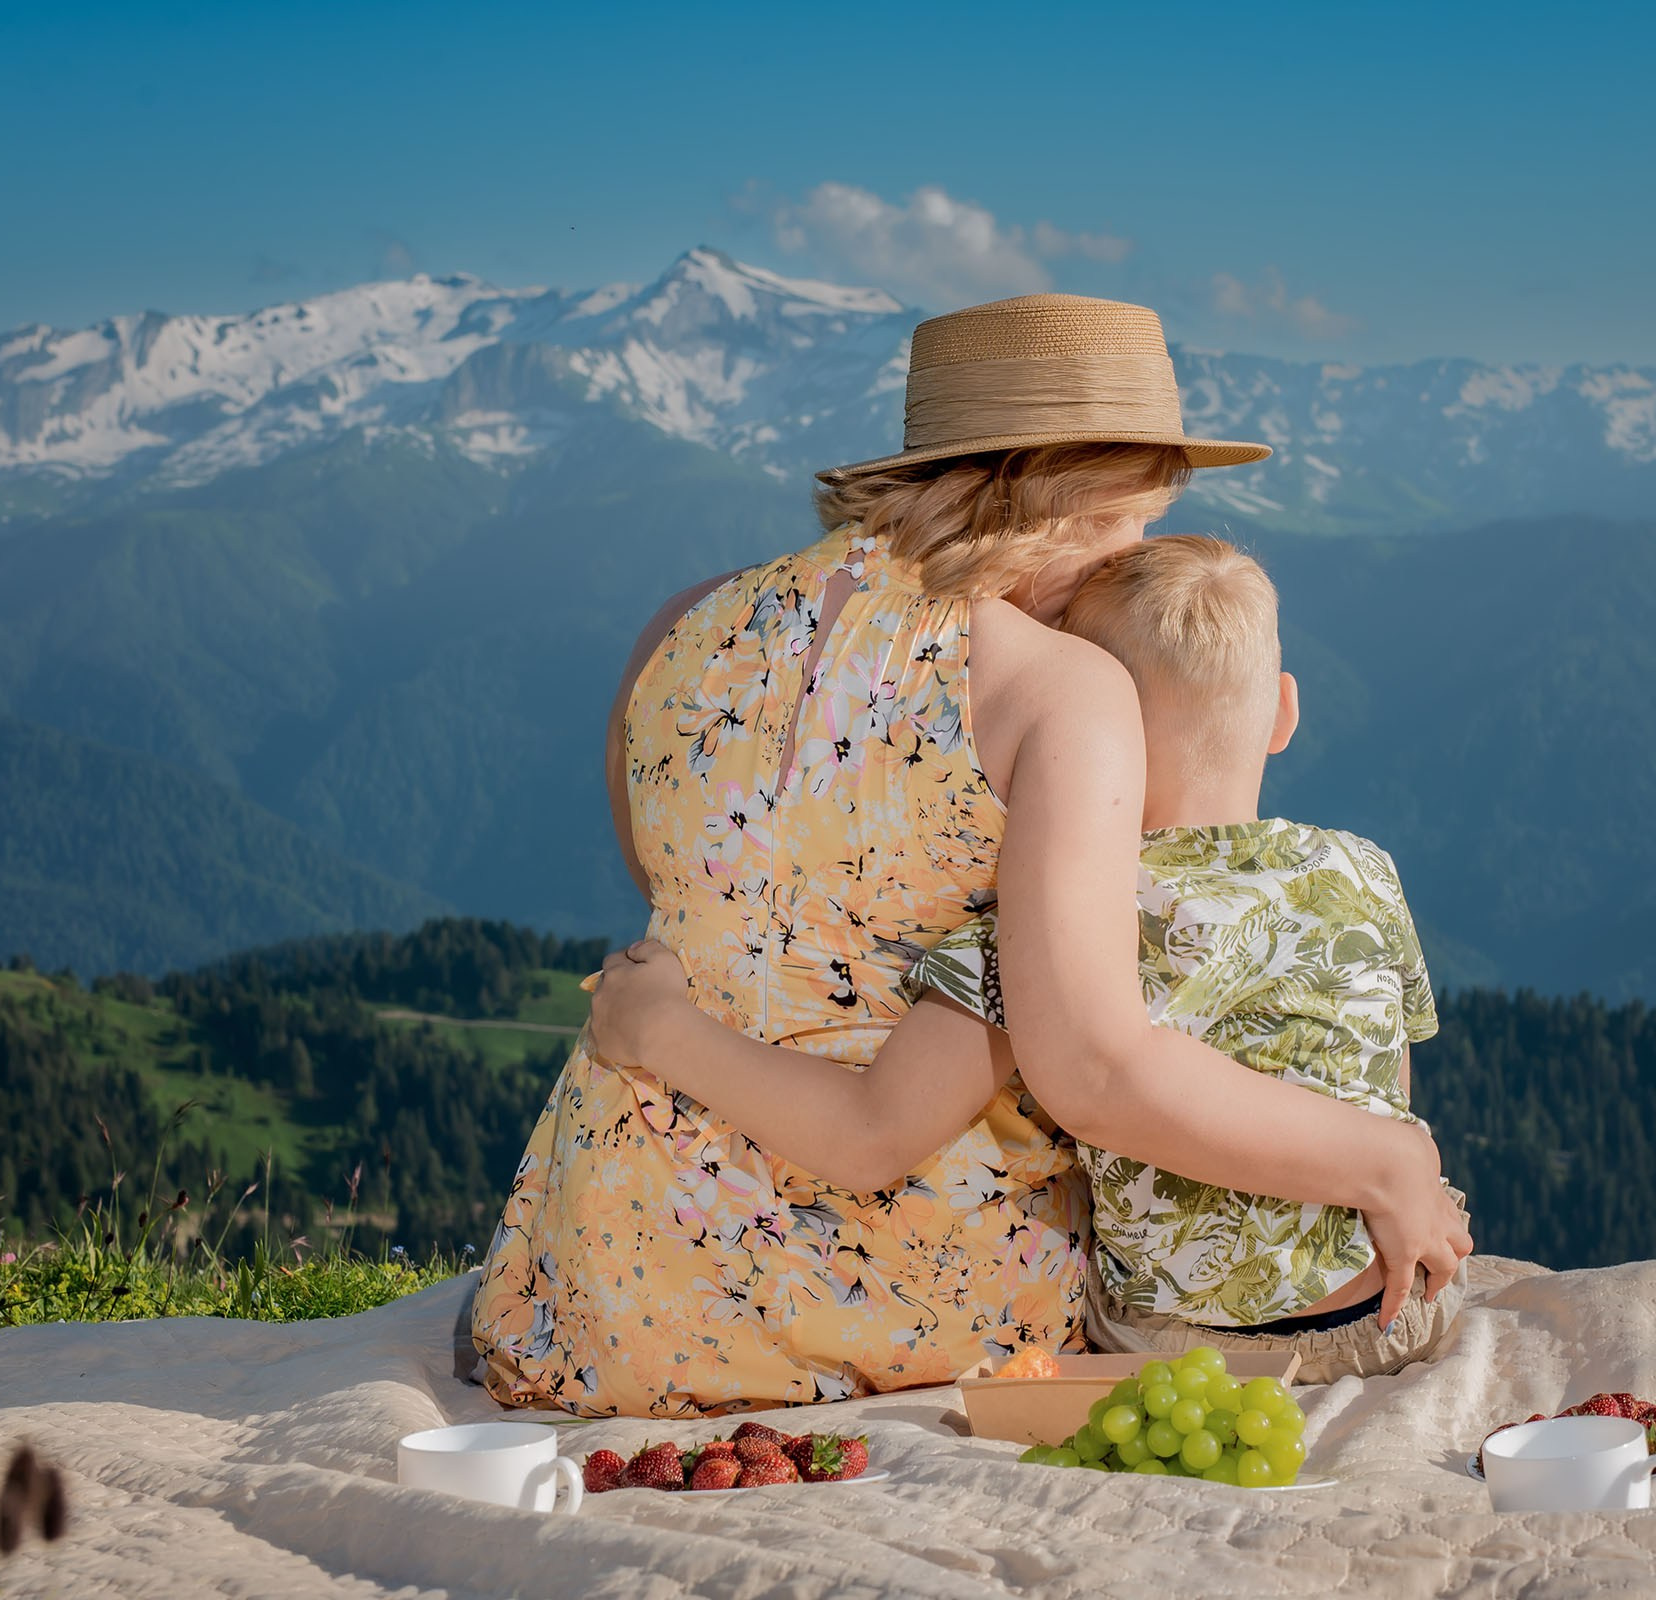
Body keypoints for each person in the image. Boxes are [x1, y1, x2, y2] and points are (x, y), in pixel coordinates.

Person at [468, 293, 1471, 1417]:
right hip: (898, 1292)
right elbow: (1094, 1071)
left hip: (598, 1272)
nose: (1132, 560)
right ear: (1087, 485)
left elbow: (688, 900)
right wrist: (1385, 1160)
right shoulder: (1059, 689)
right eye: (1137, 523)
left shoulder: (682, 626)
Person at [590, 536, 1464, 1383]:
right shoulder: (1363, 873)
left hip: (1171, 1345)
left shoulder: (1050, 926)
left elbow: (871, 1129)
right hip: (1390, 1310)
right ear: (1283, 712)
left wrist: (661, 1028)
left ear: (1101, 735)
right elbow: (1379, 1076)